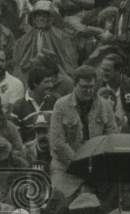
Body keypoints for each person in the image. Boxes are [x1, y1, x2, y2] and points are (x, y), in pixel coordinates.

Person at [49, 65, 118, 196]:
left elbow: (112, 138)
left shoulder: (105, 106)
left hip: (97, 166)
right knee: (57, 198)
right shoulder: (61, 105)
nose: (89, 91)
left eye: (92, 87)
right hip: (65, 167)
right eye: (84, 87)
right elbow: (57, 143)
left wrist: (97, 164)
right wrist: (79, 164)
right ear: (75, 85)